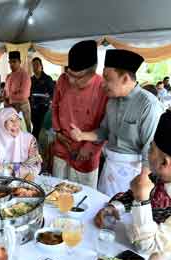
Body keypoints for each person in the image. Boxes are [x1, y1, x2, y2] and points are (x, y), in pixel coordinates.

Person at [93, 111, 171, 258]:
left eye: (151, 149)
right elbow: (130, 197)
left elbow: (148, 247)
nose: (147, 154)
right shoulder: (160, 175)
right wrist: (114, 208)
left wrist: (142, 200)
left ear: (164, 162)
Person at [70, 49, 164, 197]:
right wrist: (82, 135)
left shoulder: (148, 105)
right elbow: (104, 131)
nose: (102, 84)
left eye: (107, 78)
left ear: (125, 79)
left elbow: (151, 147)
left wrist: (144, 178)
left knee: (123, 214)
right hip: (110, 166)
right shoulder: (112, 102)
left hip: (134, 173)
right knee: (102, 208)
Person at [50, 40, 108, 188]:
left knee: (84, 196)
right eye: (70, 74)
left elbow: (105, 125)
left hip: (86, 152)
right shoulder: (62, 81)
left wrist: (89, 148)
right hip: (63, 145)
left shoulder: (102, 88)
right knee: (58, 190)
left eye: (78, 77)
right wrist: (58, 132)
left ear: (93, 70)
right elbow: (55, 106)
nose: (72, 81)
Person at [0, 107, 42, 178]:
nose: (16, 124)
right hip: (1, 183)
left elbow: (36, 168)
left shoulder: (29, 139)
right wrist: (20, 168)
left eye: (18, 119)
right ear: (1, 123)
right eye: (11, 120)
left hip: (26, 182)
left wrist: (12, 167)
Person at [1, 51, 32, 132]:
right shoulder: (8, 76)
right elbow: (5, 91)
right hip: (10, 107)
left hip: (22, 106)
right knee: (12, 130)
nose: (11, 64)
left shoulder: (24, 75)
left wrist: (9, 97)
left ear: (20, 62)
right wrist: (3, 98)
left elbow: (23, 95)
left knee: (25, 130)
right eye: (10, 62)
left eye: (14, 62)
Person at [29, 57, 56, 139]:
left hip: (44, 109)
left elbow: (53, 94)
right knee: (36, 127)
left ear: (41, 66)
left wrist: (49, 98)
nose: (35, 67)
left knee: (40, 130)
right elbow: (28, 94)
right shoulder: (31, 80)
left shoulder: (47, 79)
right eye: (33, 65)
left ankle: (38, 147)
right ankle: (35, 147)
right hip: (33, 109)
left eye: (37, 64)